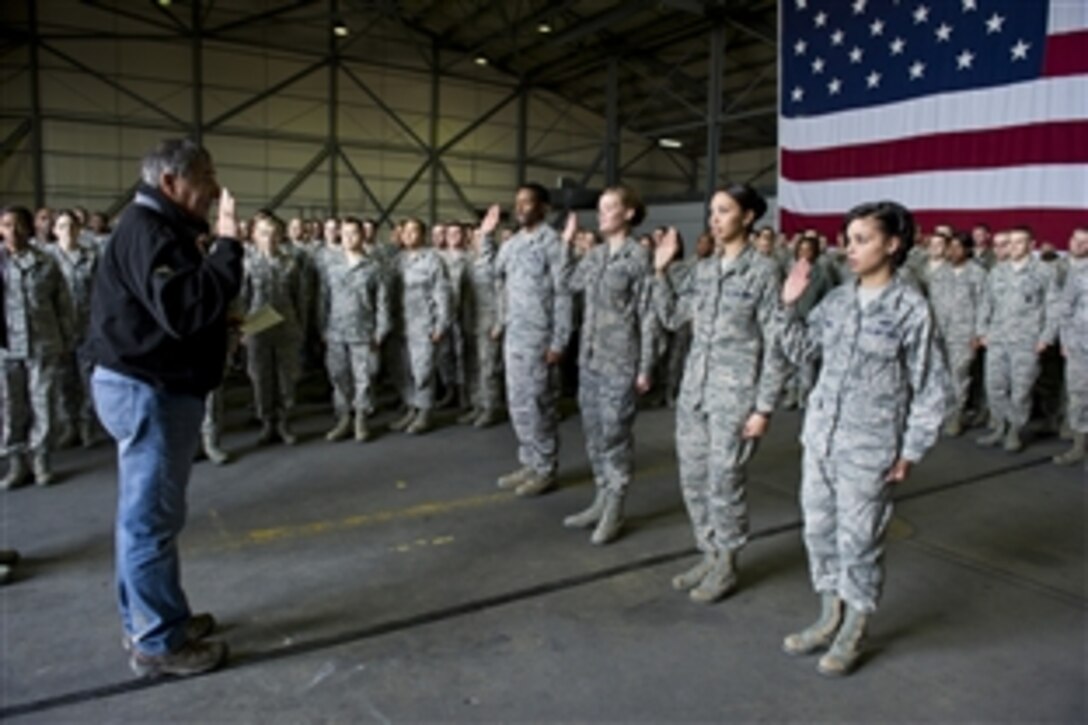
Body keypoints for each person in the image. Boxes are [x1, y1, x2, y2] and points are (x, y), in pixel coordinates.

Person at [85, 138, 242, 677]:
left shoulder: (154, 228)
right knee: (149, 521)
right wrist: (227, 247)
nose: (215, 187)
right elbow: (184, 306)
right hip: (147, 389)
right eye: (205, 175)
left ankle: (159, 618)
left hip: (146, 383)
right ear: (171, 183)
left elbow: (170, 310)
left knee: (145, 518)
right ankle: (157, 642)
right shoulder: (149, 230)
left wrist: (216, 324)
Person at [777, 200, 951, 677]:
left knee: (859, 541)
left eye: (861, 239)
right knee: (818, 532)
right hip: (821, 440)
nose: (848, 248)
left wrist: (911, 450)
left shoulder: (910, 309)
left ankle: (855, 627)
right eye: (847, 238)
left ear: (893, 245)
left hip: (869, 446)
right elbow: (802, 352)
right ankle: (828, 615)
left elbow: (932, 386)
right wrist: (788, 307)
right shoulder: (836, 301)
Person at [651, 184, 786, 604]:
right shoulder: (704, 268)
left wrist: (764, 406)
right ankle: (708, 553)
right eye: (712, 210)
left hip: (735, 396)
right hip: (695, 393)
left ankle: (727, 563)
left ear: (747, 217)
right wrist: (659, 272)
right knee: (693, 480)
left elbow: (776, 344)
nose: (714, 218)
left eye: (724, 210)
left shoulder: (764, 271)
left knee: (724, 482)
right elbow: (673, 319)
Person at [560, 186, 655, 545]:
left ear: (628, 213)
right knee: (594, 434)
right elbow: (568, 284)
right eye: (600, 209)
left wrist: (645, 366)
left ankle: (615, 507)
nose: (601, 215)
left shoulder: (638, 257)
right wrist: (567, 246)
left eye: (609, 208)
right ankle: (601, 498)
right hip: (591, 359)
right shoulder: (596, 255)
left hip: (621, 361)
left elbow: (648, 315)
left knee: (615, 435)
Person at [487, 183, 573, 497]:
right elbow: (496, 281)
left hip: (541, 339)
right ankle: (529, 461)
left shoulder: (553, 244)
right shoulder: (510, 246)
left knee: (540, 405)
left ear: (543, 208)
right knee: (518, 404)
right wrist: (501, 320)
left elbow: (563, 296)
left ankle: (546, 468)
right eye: (518, 202)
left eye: (528, 202)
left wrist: (559, 341)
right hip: (515, 338)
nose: (520, 207)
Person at [0, 206, 73, 488]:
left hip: (44, 343)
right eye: (6, 225)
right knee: (10, 407)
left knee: (44, 405)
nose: (13, 232)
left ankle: (41, 459)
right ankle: (17, 463)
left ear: (29, 229)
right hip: (6, 348)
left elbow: (63, 304)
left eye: (18, 225)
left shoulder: (46, 262)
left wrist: (67, 339)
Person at [976, 227, 1059, 452]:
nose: (1012, 247)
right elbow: (986, 303)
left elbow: (1053, 307)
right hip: (997, 338)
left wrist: (1046, 337)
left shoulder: (1044, 271)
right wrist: (982, 332)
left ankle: (1015, 431)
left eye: (1019, 242)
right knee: (995, 387)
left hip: (1026, 341)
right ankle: (1000, 427)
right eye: (1010, 243)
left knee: (1021, 390)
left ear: (1031, 245)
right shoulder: (997, 271)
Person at [320, 216, 390, 442]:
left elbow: (383, 302)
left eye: (354, 233)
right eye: (345, 233)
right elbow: (323, 300)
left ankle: (361, 418)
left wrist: (380, 332)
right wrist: (322, 328)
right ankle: (344, 419)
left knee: (364, 378)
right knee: (339, 377)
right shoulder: (331, 266)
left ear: (363, 236)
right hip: (336, 331)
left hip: (364, 332)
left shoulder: (374, 267)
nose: (349, 238)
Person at [240, 212, 306, 445]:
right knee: (261, 377)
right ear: (255, 236)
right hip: (257, 328)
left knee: (287, 378)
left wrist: (301, 328)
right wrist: (243, 330)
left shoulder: (290, 264)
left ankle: (285, 422)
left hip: (286, 328)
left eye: (274, 233)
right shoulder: (247, 263)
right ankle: (267, 421)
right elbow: (242, 299)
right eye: (264, 233)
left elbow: (300, 298)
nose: (269, 238)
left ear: (281, 236)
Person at [387, 218, 451, 435]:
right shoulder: (397, 261)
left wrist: (441, 325)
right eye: (406, 231)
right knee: (404, 370)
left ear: (422, 235)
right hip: (400, 325)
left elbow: (442, 295)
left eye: (414, 231)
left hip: (423, 325)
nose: (409, 235)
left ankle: (425, 412)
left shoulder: (432, 261)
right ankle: (411, 408)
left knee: (422, 370)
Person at [928, 232, 988, 436]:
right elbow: (931, 303)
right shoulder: (939, 273)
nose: (952, 252)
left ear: (968, 249)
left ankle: (955, 417)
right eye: (949, 247)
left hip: (963, 334)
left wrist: (979, 333)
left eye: (957, 248)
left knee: (959, 377)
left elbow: (983, 305)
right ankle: (942, 414)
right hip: (938, 333)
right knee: (939, 376)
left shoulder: (977, 274)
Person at [50, 209, 100, 447]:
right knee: (64, 380)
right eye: (62, 226)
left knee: (89, 380)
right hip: (58, 330)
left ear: (80, 229)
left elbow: (102, 293)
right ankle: (69, 425)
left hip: (87, 327)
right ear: (54, 231)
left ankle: (86, 425)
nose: (67, 231)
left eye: (72, 225)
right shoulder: (47, 258)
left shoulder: (92, 257)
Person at [459, 207, 504, 428]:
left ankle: (490, 407)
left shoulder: (494, 262)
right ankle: (477, 404)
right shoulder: (469, 262)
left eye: (480, 237)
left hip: (489, 322)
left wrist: (500, 322)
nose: (476, 240)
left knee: (488, 368)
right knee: (474, 367)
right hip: (471, 321)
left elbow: (503, 294)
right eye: (474, 237)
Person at [1054, 227, 1088, 465]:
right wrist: (1066, 341)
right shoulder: (1080, 277)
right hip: (1080, 347)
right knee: (1078, 397)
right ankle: (1079, 446)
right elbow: (1065, 311)